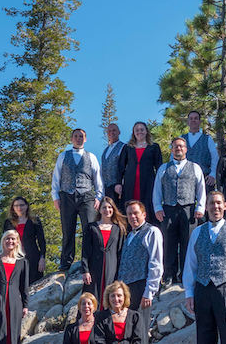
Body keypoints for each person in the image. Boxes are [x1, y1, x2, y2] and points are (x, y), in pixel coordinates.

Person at [184, 191, 226, 344]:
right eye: (211, 203)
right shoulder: (197, 232)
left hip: (225, 288)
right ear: (206, 207)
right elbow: (190, 265)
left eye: (219, 203)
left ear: (225, 206)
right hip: (202, 289)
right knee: (204, 336)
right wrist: (189, 293)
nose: (215, 206)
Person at [153, 137, 206, 286]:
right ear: (171, 149)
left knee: (187, 242)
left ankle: (186, 273)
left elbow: (201, 188)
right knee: (168, 242)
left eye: (181, 146)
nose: (178, 149)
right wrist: (157, 207)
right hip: (168, 209)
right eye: (176, 147)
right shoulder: (164, 168)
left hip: (188, 209)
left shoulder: (195, 167)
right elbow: (157, 189)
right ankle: (169, 274)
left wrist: (200, 207)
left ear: (186, 149)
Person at [52, 128, 103, 272]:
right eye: (76, 136)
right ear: (71, 139)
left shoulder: (91, 157)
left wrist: (98, 197)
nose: (78, 138)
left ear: (85, 139)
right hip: (67, 196)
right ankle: (66, 261)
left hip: (86, 195)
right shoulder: (63, 156)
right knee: (67, 229)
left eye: (81, 136)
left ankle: (89, 259)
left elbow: (97, 178)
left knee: (89, 228)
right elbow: (56, 178)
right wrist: (55, 197)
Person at [117, 200, 163, 344]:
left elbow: (156, 263)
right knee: (128, 330)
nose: (132, 216)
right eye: (129, 214)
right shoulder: (129, 235)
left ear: (144, 214)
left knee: (140, 331)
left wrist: (149, 291)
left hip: (141, 286)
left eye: (136, 213)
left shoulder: (152, 231)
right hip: (126, 288)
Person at [81, 197, 127, 305]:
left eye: (110, 207)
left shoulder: (119, 229)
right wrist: (85, 271)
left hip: (112, 268)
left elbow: (121, 253)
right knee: (92, 297)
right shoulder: (91, 227)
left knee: (110, 296)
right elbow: (85, 251)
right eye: (104, 207)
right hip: (94, 268)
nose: (107, 210)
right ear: (100, 210)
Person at [0, 231, 28, 344]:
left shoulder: (22, 262)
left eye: (13, 239)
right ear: (3, 241)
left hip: (14, 303)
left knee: (13, 332)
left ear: (17, 242)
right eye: (7, 238)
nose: (10, 241)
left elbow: (24, 287)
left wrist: (25, 305)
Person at [117, 122, 162, 225]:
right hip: (130, 184)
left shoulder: (154, 147)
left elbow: (159, 167)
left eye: (142, 129)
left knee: (147, 207)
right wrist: (118, 183)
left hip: (148, 183)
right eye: (137, 130)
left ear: (146, 131)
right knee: (129, 208)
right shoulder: (128, 147)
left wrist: (160, 185)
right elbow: (121, 167)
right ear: (133, 133)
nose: (139, 132)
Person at [2, 197, 46, 284]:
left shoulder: (34, 221)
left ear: (26, 206)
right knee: (16, 283)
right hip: (14, 257)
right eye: (16, 205)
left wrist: (42, 258)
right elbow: (4, 242)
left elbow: (42, 241)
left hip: (33, 257)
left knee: (34, 283)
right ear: (13, 208)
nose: (19, 208)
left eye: (22, 205)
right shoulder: (8, 223)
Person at [182, 111, 220, 190]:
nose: (193, 120)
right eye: (191, 119)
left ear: (200, 121)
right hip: (185, 180)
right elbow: (174, 158)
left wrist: (213, 174)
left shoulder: (207, 139)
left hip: (205, 179)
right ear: (188, 122)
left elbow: (215, 158)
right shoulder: (181, 139)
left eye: (196, 118)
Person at [101, 123, 125, 208]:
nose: (111, 133)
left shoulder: (123, 147)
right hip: (106, 187)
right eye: (109, 131)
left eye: (114, 130)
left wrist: (121, 184)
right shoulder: (105, 150)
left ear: (119, 132)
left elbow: (124, 167)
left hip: (117, 187)